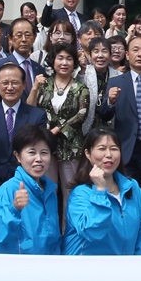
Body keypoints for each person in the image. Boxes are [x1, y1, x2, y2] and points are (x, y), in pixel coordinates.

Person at [95, 34, 141, 212]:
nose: (140, 54)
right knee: (127, 194)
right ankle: (131, 231)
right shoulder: (115, 82)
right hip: (125, 148)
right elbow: (104, 116)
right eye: (135, 50)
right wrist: (110, 102)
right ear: (127, 55)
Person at [64, 128, 141, 255]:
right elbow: (91, 232)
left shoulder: (132, 187)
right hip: (88, 269)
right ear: (88, 154)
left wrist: (135, 264)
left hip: (124, 269)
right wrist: (100, 191)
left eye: (114, 149)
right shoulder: (80, 193)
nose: (109, 154)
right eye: (102, 148)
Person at [0, 124, 61, 254]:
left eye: (44, 153)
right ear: (18, 156)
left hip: (44, 268)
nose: (38, 159)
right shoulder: (9, 189)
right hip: (16, 268)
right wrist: (13, 208)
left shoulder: (50, 191)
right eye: (31, 152)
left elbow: (53, 238)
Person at [31, 44, 90, 202]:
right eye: (60, 58)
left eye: (69, 59)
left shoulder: (81, 88)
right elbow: (30, 109)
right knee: (47, 192)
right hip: (45, 145)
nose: (64, 63)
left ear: (74, 63)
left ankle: (69, 227)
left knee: (71, 193)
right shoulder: (44, 84)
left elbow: (82, 114)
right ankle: (49, 227)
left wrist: (58, 129)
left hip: (71, 147)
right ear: (53, 61)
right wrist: (35, 88)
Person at [0, 63, 45, 188]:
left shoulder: (37, 116)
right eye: (5, 83)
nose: (10, 87)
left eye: (15, 83)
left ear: (24, 85)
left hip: (25, 183)